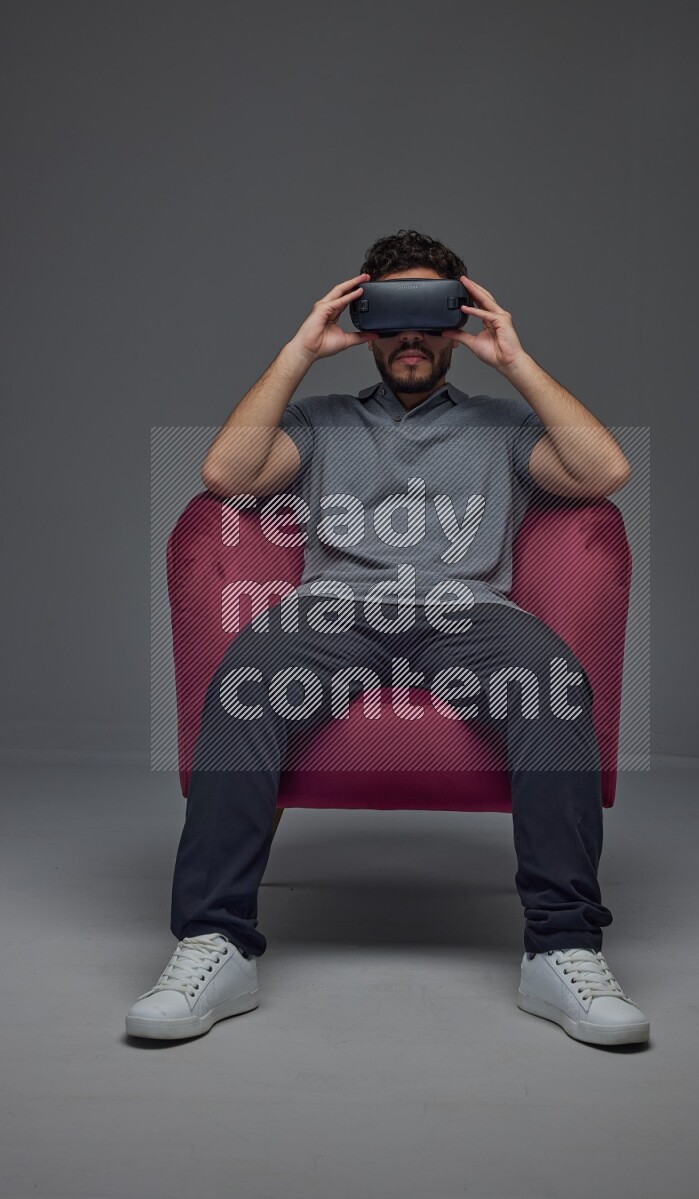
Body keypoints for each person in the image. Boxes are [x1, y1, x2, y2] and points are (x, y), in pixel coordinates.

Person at [126, 229, 649, 1047]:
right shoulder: (322, 421)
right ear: (367, 323)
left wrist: (512, 358)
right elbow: (226, 476)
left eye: (432, 316)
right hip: (334, 610)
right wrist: (302, 349)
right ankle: (214, 941)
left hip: (470, 614)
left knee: (553, 680)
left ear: (458, 323)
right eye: (392, 315)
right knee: (245, 676)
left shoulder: (501, 426)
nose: (412, 336)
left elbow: (605, 472)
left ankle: (563, 946)